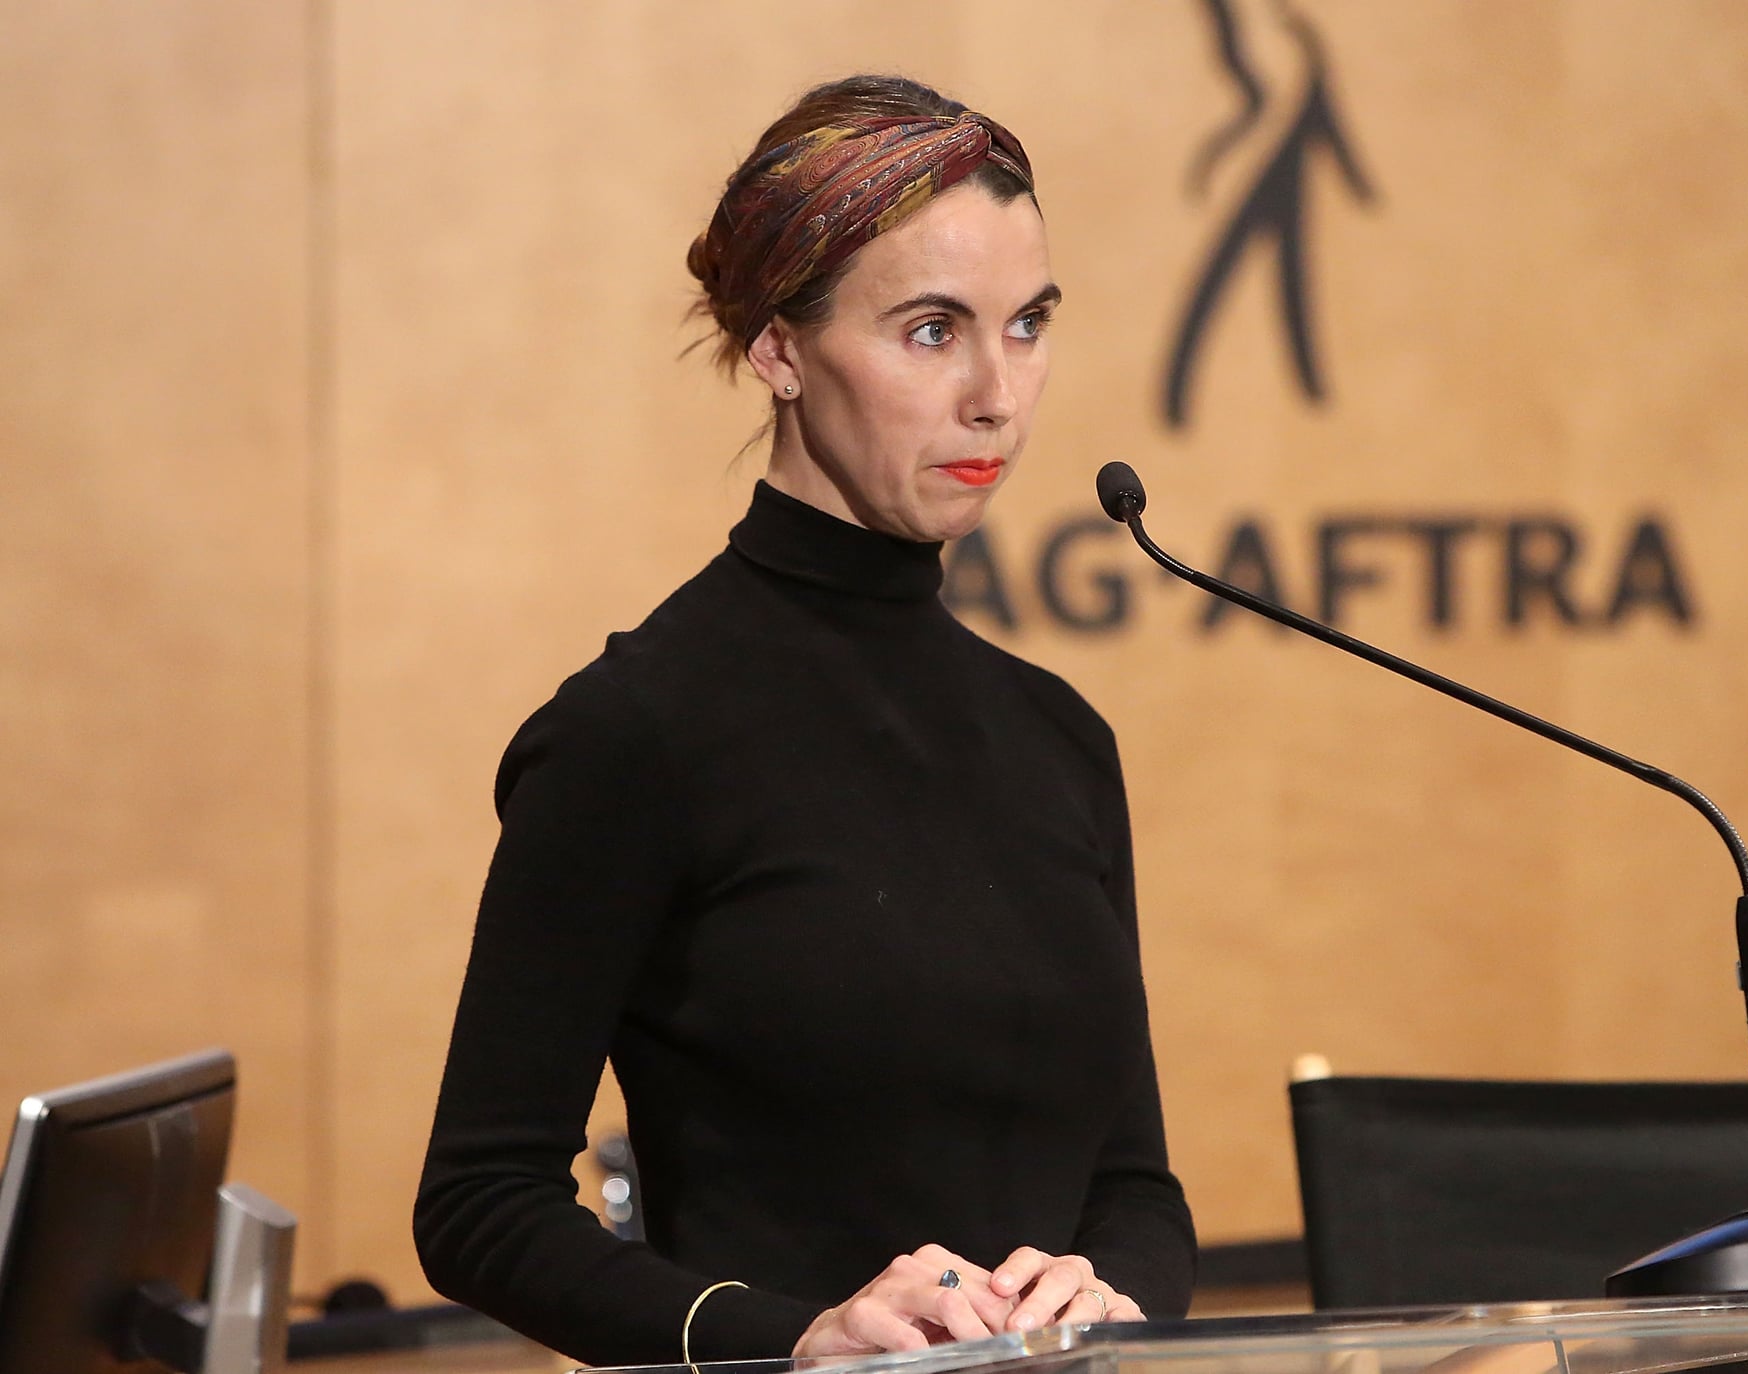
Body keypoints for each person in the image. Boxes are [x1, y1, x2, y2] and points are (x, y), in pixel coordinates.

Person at [414, 75, 1196, 1367]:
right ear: (780, 348)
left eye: (1031, 323)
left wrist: (1110, 1292)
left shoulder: (1062, 737)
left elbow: (1136, 1187)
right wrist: (796, 1341)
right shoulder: (638, 730)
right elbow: (478, 1203)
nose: (999, 395)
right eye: (933, 331)